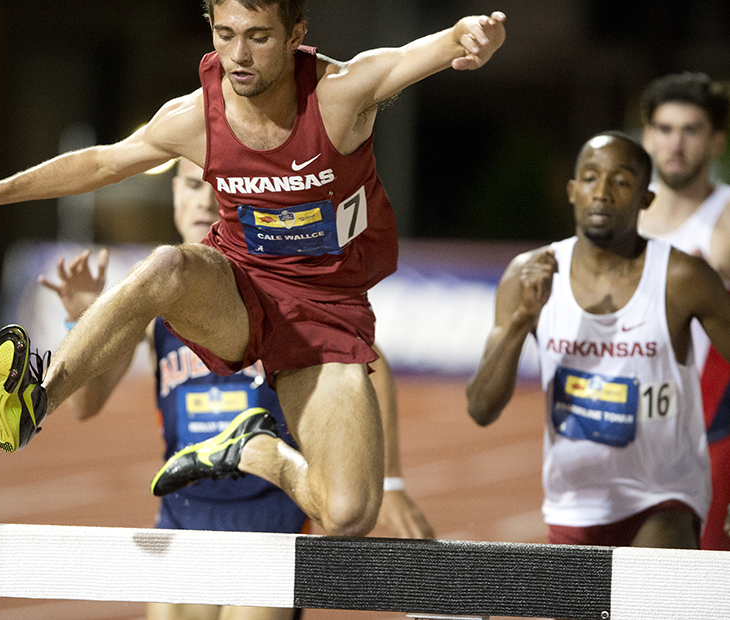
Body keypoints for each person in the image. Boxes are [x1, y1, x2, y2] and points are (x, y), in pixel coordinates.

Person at [0, 0, 507, 536]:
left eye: (258, 37)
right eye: (225, 35)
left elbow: (433, 47)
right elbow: (102, 163)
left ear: (296, 34)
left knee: (350, 512)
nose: (239, 56)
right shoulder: (196, 118)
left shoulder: (340, 94)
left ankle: (261, 452)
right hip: (239, 288)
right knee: (165, 268)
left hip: (327, 314)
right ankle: (35, 401)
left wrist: (477, 34)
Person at [37, 158, 433, 620]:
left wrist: (391, 481)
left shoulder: (268, 287)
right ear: (174, 196)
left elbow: (367, 362)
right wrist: (81, 317)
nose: (204, 198)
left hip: (269, 514)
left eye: (214, 186)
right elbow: (86, 404)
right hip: (185, 508)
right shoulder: (151, 300)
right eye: (191, 185)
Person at [466, 131, 730, 548]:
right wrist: (522, 320)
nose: (602, 193)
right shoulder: (527, 275)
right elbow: (481, 408)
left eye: (621, 181)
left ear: (647, 199)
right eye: (590, 178)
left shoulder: (682, 279)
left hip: (663, 499)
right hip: (573, 507)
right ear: (572, 191)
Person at [636, 72, 730, 551]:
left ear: (716, 141)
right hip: (627, 426)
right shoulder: (622, 218)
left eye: (691, 130)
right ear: (647, 136)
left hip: (709, 428)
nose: (676, 143)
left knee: (707, 577)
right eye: (665, 128)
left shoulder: (725, 223)